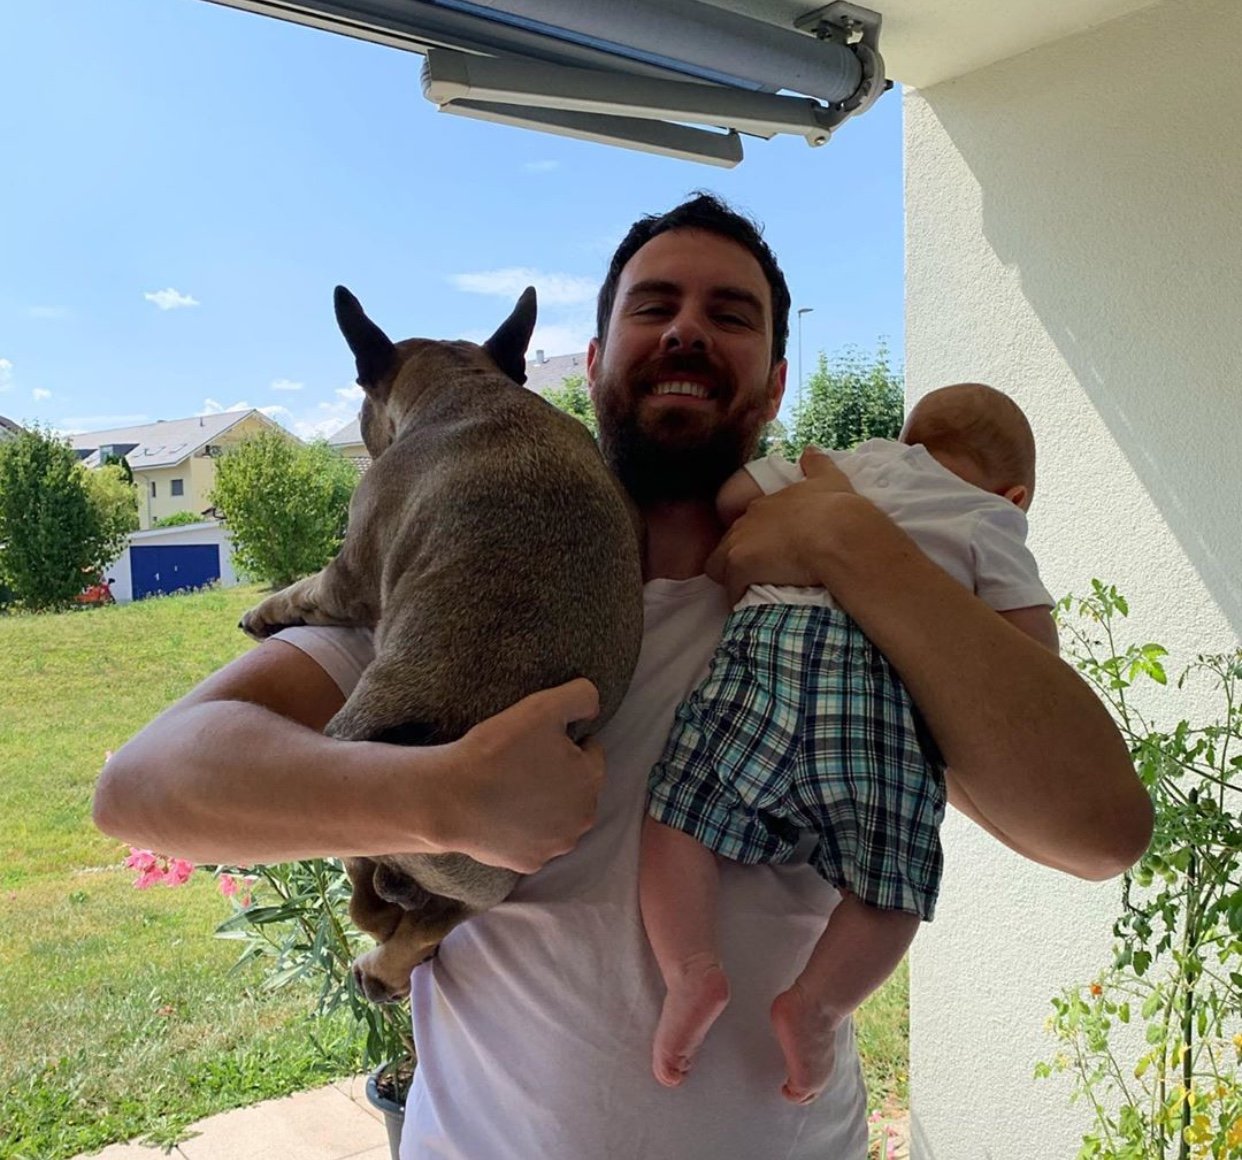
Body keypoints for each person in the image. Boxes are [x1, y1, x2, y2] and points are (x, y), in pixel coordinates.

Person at [94, 193, 1152, 1159]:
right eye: (656, 306)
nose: (689, 328)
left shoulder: (853, 624)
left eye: (732, 315)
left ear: (776, 382)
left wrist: (853, 547)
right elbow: (141, 785)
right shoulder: (471, 576)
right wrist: (437, 796)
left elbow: (1097, 827)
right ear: (596, 360)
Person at [641, 382, 1053, 1105]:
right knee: (890, 884)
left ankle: (691, 969)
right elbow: (1034, 667)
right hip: (880, 702)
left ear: (907, 438)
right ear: (1016, 494)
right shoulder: (992, 517)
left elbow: (735, 496)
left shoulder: (844, 460)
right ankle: (816, 1006)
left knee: (680, 813)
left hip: (767, 655)